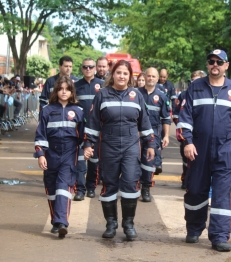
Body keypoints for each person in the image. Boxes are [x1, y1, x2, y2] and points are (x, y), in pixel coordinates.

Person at [177, 49, 231, 252]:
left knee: (221, 194)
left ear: (227, 65)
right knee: (196, 190)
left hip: (226, 150)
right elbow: (185, 117)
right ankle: (194, 228)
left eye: (219, 62)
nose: (215, 65)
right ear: (207, 65)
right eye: (211, 61)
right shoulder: (195, 88)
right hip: (198, 149)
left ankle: (219, 236)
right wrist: (188, 142)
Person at [82, 60, 155, 241]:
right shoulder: (103, 95)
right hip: (108, 144)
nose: (122, 76)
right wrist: (88, 144)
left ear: (130, 76)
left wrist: (150, 144)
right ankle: (111, 223)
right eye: (118, 72)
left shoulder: (136, 95)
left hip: (131, 145)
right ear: (112, 74)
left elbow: (144, 122)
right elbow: (93, 123)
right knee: (109, 184)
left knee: (130, 183)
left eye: (125, 73)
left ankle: (128, 224)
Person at [34, 76, 84, 238]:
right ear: (56, 91)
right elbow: (40, 134)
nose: (64, 92)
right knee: (51, 188)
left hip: (69, 153)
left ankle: (62, 222)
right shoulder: (47, 110)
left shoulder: (78, 111)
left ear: (71, 92)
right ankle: (56, 221)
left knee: (64, 186)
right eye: (61, 89)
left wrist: (88, 147)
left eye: (67, 89)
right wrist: (41, 154)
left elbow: (84, 135)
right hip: (50, 154)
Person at [73, 58, 105, 201]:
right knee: (80, 160)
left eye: (91, 67)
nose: (88, 69)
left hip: (97, 129)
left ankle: (91, 187)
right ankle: (80, 189)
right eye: (85, 67)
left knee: (94, 160)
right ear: (82, 69)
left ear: (95, 68)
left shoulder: (103, 85)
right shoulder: (75, 86)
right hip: (79, 128)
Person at [138, 68, 171, 202]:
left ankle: (146, 188)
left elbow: (166, 118)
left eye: (153, 76)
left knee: (148, 162)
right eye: (149, 76)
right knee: (133, 161)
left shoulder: (162, 96)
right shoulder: (135, 93)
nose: (150, 78)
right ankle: (133, 187)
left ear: (157, 79)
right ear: (144, 77)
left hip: (153, 135)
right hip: (136, 134)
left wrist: (167, 135)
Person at [173, 70, 206, 189]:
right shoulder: (184, 95)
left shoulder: (206, 93)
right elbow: (177, 114)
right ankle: (185, 179)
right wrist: (182, 127)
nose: (193, 83)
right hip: (187, 133)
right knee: (186, 157)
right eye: (192, 80)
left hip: (200, 134)